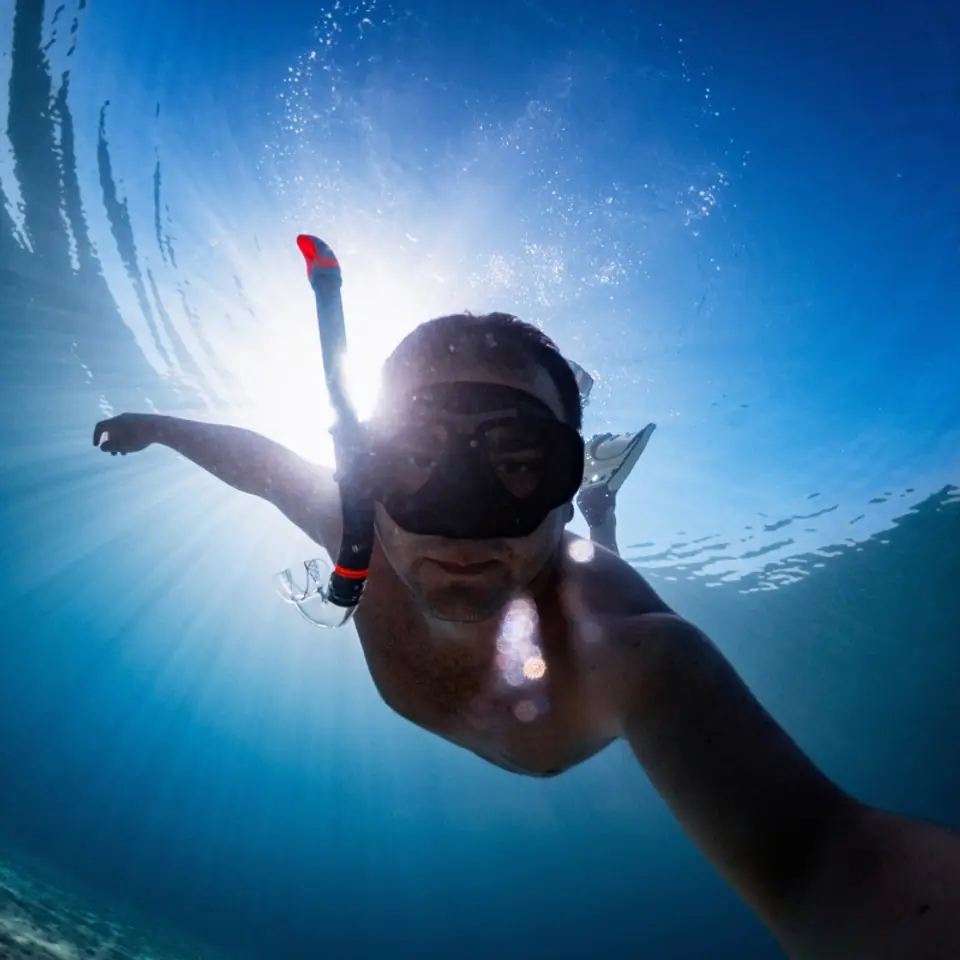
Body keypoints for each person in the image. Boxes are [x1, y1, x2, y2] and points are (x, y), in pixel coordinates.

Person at [94, 311, 960, 958]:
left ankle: (599, 508)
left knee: (595, 559)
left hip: (580, 576)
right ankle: (589, 500)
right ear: (366, 472)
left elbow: (828, 863)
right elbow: (258, 462)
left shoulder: (640, 652)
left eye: (518, 464)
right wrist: (157, 427)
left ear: (559, 477)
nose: (463, 521)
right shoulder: (351, 525)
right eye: (416, 458)